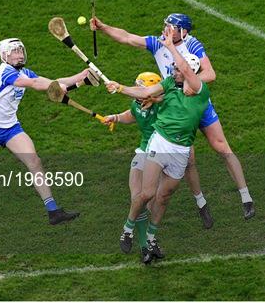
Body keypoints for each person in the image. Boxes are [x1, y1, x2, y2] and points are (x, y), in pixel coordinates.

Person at [91, 13, 255, 225]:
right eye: (165, 25)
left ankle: (246, 197)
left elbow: (210, 74)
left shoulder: (193, 45)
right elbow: (127, 37)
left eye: (170, 27)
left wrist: (189, 81)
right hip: (174, 104)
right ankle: (201, 203)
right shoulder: (159, 43)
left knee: (222, 147)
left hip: (197, 104)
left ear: (183, 32)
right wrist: (103, 27)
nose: (165, 29)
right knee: (188, 159)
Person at [0, 37, 87, 225]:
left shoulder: (23, 72)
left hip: (11, 128)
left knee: (34, 161)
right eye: (14, 51)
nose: (20, 54)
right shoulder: (5, 73)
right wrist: (57, 87)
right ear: (4, 55)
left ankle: (53, 211)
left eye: (21, 50)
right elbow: (34, 84)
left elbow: (47, 81)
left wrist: (82, 76)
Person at [106, 27, 209, 261]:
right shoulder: (170, 84)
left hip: (181, 151)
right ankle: (128, 230)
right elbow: (147, 91)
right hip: (159, 145)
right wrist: (120, 88)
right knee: (146, 194)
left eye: (178, 70)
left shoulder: (201, 92)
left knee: (163, 197)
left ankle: (151, 239)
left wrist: (171, 47)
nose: (173, 71)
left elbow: (183, 70)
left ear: (190, 73)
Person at [103, 71, 162, 264]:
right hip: (144, 152)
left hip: (162, 155)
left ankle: (149, 242)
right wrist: (116, 117)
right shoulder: (137, 104)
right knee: (138, 197)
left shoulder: (164, 106)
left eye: (140, 88)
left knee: (153, 202)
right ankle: (144, 246)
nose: (136, 92)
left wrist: (157, 100)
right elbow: (133, 114)